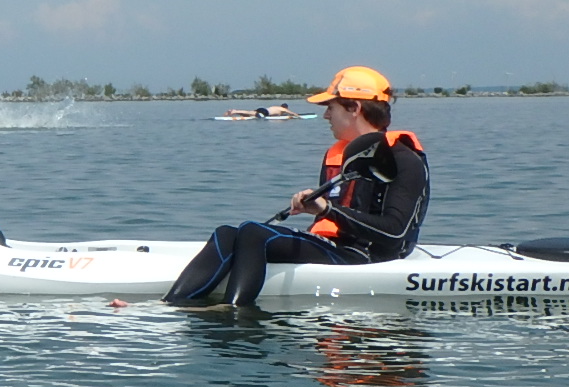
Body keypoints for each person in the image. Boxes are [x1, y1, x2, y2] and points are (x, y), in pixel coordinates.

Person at [164, 66, 430, 308]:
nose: (325, 115)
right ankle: (171, 306)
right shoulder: (340, 154)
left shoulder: (404, 159)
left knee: (253, 233)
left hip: (367, 256)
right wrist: (317, 208)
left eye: (331, 107)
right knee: (227, 233)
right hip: (335, 246)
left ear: (354, 108)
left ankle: (235, 315)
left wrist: (326, 210)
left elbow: (396, 233)